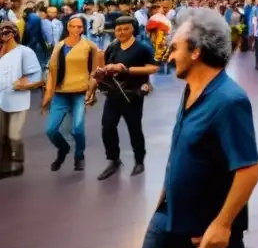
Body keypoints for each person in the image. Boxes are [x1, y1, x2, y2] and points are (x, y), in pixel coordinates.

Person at [128, 7, 258, 248]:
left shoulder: (229, 100)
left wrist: (223, 224)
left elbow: (249, 169)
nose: (170, 55)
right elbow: (181, 151)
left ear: (197, 51)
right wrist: (163, 199)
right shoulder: (190, 89)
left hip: (210, 219)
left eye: (175, 47)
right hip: (170, 213)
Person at [95, 16, 159, 181]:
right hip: (113, 94)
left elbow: (153, 68)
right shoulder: (112, 48)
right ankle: (113, 160)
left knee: (134, 128)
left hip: (133, 94)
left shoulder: (142, 48)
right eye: (118, 29)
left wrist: (126, 69)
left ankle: (139, 160)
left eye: (125, 29)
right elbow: (105, 68)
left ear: (133, 29)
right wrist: (102, 72)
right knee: (107, 126)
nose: (121, 32)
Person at [42, 15, 102, 172]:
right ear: (68, 27)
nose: (76, 29)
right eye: (73, 26)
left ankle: (79, 155)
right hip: (60, 94)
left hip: (79, 94)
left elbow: (95, 72)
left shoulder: (90, 46)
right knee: (51, 130)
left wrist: (91, 91)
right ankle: (63, 148)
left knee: (78, 129)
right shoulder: (59, 46)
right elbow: (52, 73)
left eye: (79, 26)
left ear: (83, 28)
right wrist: (47, 95)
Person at [0, 20, 43, 178]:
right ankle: (4, 167)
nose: (4, 35)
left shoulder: (25, 52)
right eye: (2, 32)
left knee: (14, 134)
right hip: (1, 98)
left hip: (18, 99)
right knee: (1, 135)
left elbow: (37, 75)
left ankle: (18, 162)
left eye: (8, 31)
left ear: (15, 33)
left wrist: (25, 84)